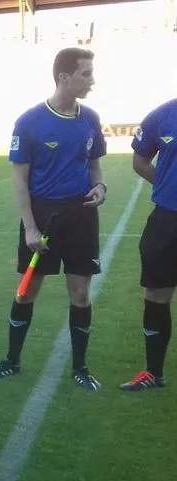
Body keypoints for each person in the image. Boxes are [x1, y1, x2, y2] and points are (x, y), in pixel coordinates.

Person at [0, 47, 107, 390]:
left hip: (81, 216)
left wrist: (100, 186)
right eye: (86, 74)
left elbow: (95, 164)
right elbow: (19, 178)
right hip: (43, 217)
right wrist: (31, 227)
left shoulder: (90, 119)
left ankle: (80, 367)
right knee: (26, 292)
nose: (92, 81)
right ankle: (11, 360)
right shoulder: (30, 121)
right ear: (64, 77)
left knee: (80, 294)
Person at [120, 98, 177, 391]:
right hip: (167, 221)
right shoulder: (163, 115)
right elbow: (140, 161)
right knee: (156, 295)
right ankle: (154, 373)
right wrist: (166, 186)